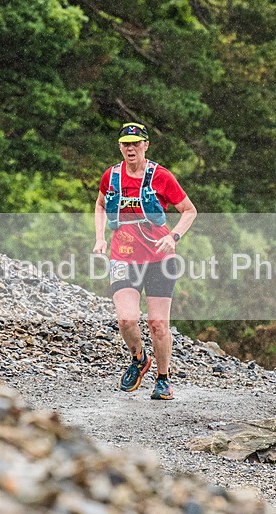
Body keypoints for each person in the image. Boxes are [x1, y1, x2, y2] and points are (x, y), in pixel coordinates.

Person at [93, 122, 197, 399]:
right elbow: (101, 205)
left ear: (145, 146)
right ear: (120, 146)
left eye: (136, 144)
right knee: (126, 319)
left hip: (159, 259)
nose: (130, 149)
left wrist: (173, 237)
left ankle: (163, 379)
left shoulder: (161, 176)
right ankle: (139, 359)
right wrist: (100, 238)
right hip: (122, 257)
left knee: (157, 324)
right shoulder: (111, 176)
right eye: (126, 144)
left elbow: (189, 211)